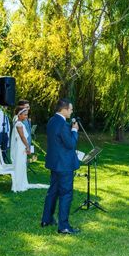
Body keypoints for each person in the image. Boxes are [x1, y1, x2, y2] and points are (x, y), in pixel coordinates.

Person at [41, 99, 81, 235]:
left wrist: (70, 129)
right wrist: (75, 131)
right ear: (64, 109)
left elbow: (59, 140)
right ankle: (63, 226)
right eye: (70, 109)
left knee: (52, 191)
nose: (71, 111)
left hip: (54, 163)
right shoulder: (63, 124)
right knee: (65, 194)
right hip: (64, 165)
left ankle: (46, 219)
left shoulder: (52, 121)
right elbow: (70, 144)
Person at [9, 106, 48, 193]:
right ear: (19, 115)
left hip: (21, 146)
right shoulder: (19, 124)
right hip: (20, 147)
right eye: (25, 115)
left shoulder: (19, 123)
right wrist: (27, 147)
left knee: (22, 165)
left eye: (27, 115)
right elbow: (22, 137)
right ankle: (18, 185)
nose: (26, 117)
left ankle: (21, 182)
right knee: (20, 164)